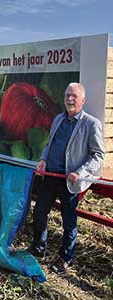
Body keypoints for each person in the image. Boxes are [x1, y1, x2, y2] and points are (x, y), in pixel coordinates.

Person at [29, 82, 105, 274]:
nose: (70, 99)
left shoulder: (91, 124)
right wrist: (43, 160)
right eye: (67, 96)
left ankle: (65, 258)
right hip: (51, 177)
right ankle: (39, 248)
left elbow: (98, 156)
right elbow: (49, 144)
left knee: (68, 221)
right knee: (39, 213)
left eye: (74, 96)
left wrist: (80, 172)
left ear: (83, 100)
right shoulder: (58, 119)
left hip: (69, 182)